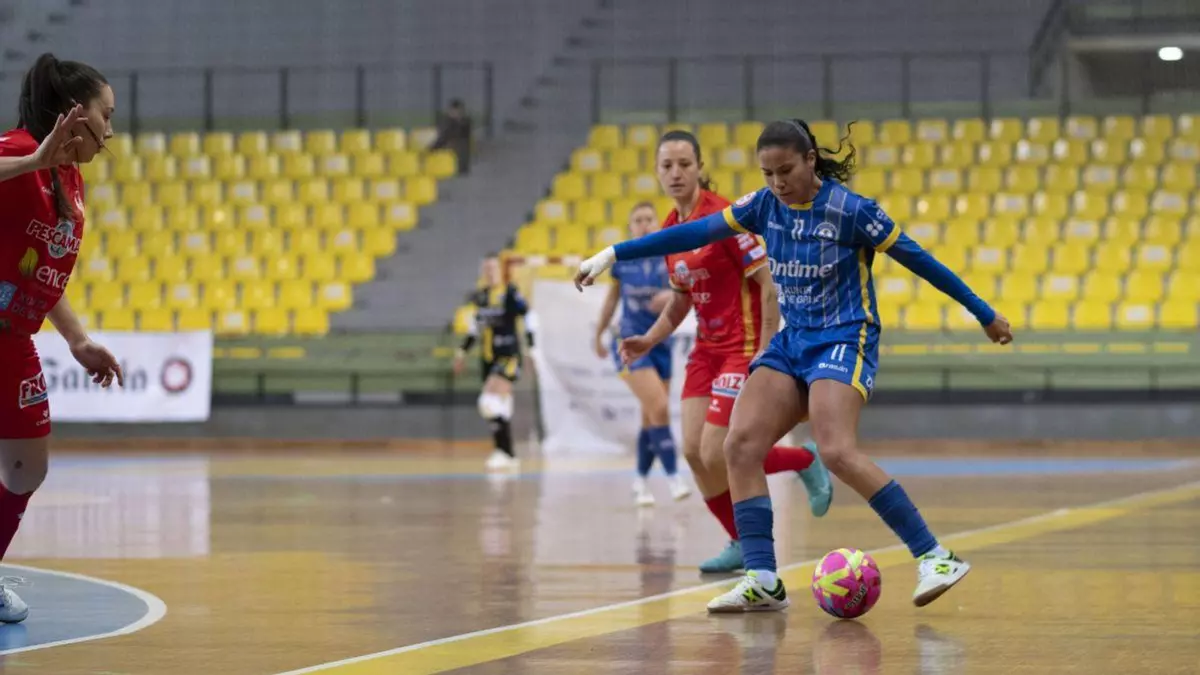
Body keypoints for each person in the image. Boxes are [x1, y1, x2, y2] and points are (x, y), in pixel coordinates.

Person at [575, 119, 1014, 612]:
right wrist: (612, 253)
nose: (777, 183)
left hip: (844, 337)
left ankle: (935, 556)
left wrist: (984, 314)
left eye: (785, 170)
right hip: (792, 342)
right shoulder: (763, 206)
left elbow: (921, 261)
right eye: (767, 173)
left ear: (810, 160)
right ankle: (763, 579)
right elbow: (695, 231)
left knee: (837, 451)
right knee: (739, 446)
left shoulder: (852, 211)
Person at [620, 130, 833, 575]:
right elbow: (681, 299)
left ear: (699, 167)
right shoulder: (670, 230)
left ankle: (804, 460)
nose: (676, 173)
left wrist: (767, 349)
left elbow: (768, 285)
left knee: (718, 451)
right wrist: (650, 339)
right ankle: (738, 540)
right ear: (657, 172)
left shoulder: (726, 219)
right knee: (693, 452)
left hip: (742, 346)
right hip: (706, 350)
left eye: (684, 164)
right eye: (667, 166)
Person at [0, 53, 124, 623]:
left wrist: (76, 339)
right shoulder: (18, 149)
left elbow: (38, 272)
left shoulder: (71, 180)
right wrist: (30, 162)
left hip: (13, 338)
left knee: (27, 467)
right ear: (75, 113)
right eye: (106, 115)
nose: (110, 131)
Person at [593, 201, 689, 507]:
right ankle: (674, 478)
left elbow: (687, 292)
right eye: (638, 220)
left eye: (649, 218)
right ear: (631, 227)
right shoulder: (623, 260)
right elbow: (611, 300)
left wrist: (672, 295)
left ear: (657, 224)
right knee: (658, 406)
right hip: (628, 344)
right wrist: (598, 333)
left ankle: (639, 482)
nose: (645, 224)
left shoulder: (669, 257)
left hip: (661, 343)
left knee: (650, 416)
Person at [455, 254, 536, 471]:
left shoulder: (510, 293)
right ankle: (506, 453)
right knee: (499, 407)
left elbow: (527, 316)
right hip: (488, 358)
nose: (490, 272)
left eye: (493, 268)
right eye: (486, 269)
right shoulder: (481, 297)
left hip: (508, 355)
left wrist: (531, 349)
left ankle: (505, 452)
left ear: (500, 271)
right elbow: (475, 329)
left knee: (487, 402)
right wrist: (462, 353)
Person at [430, 99, 472, 175]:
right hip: (455, 163)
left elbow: (445, 138)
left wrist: (432, 149)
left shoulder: (461, 124)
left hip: (454, 163)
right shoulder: (452, 122)